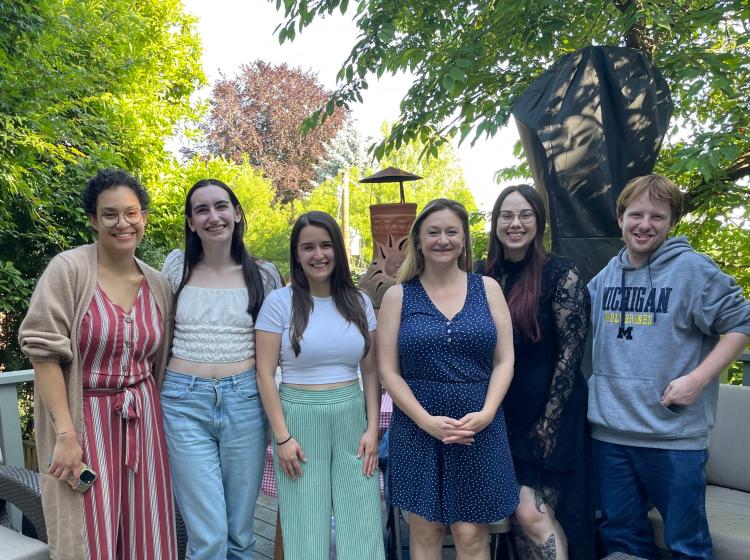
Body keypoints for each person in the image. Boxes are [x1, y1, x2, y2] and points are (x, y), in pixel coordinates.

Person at [588, 174, 750, 558]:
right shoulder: (608, 274)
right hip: (611, 436)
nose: (645, 225)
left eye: (657, 217)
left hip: (674, 439)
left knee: (686, 546)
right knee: (623, 542)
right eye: (636, 214)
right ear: (620, 217)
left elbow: (741, 323)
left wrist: (698, 378)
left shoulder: (693, 271)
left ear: (671, 222)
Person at [18, 168, 176, 560]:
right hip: (84, 420)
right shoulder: (68, 270)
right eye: (110, 214)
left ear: (144, 218)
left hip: (144, 421)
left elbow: (159, 359)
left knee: (147, 528)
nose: (122, 223)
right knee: (89, 533)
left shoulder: (158, 284)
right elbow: (43, 354)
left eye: (132, 213)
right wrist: (65, 436)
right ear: (93, 219)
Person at [378, 198, 519, 560]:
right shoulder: (398, 296)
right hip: (417, 427)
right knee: (426, 532)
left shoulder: (487, 289)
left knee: (471, 534)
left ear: (464, 239)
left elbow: (505, 361)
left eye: (451, 231)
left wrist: (487, 412)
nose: (443, 239)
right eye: (433, 232)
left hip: (478, 427)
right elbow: (388, 371)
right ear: (419, 240)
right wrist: (425, 421)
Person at [159, 178, 282, 559]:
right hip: (182, 402)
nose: (213, 217)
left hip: (245, 400)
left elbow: (274, 349)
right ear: (191, 222)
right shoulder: (176, 267)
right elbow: (157, 329)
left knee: (240, 536)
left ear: (237, 213)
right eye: (202, 209)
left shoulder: (263, 274)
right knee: (208, 536)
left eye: (221, 206)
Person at [255, 211, 385, 560]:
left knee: (362, 520)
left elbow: (371, 372)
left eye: (326, 245)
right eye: (308, 247)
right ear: (297, 254)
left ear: (338, 250)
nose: (318, 255)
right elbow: (265, 374)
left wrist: (373, 428)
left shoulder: (358, 302)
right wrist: (281, 437)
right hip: (298, 417)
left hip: (352, 416)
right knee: (304, 526)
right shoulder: (279, 303)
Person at [480, 185, 594, 560]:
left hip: (550, 411)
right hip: (499, 412)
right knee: (514, 517)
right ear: (495, 222)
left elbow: (570, 356)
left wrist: (547, 426)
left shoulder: (561, 274)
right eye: (506, 215)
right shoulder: (481, 276)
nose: (515, 224)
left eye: (525, 215)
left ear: (538, 222)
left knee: (532, 513)